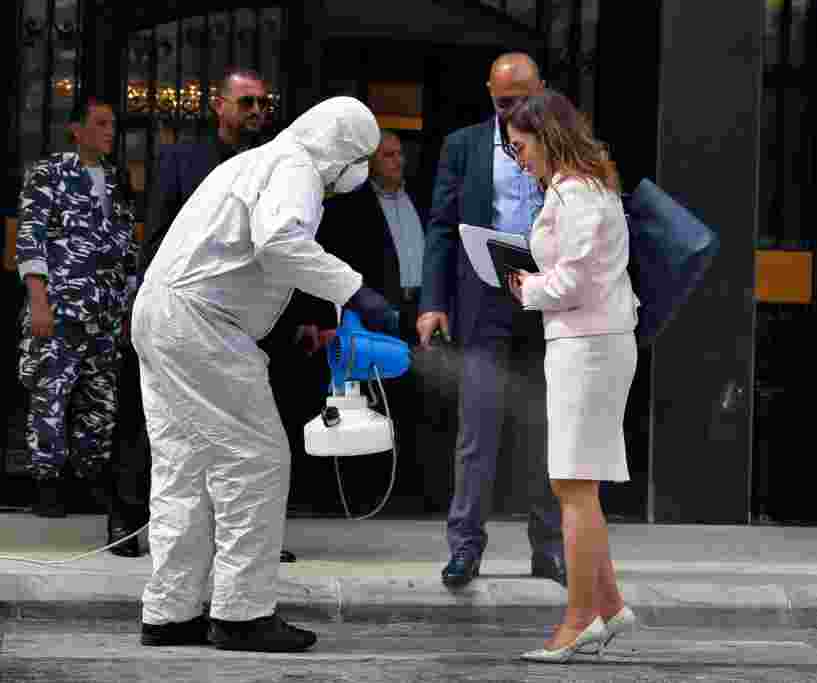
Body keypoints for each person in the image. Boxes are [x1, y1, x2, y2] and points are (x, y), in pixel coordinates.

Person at [134, 96, 396, 652]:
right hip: (202, 322)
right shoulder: (296, 165)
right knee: (257, 459)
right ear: (342, 151)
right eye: (361, 158)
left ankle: (170, 611)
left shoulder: (250, 161)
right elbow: (278, 242)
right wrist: (356, 291)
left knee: (184, 466)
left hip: (162, 314)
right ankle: (242, 615)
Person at [139, 67, 305, 562]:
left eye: (262, 104)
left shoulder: (276, 163)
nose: (256, 112)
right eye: (246, 102)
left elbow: (293, 240)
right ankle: (141, 523)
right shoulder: (181, 159)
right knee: (186, 441)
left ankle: (256, 540)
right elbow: (158, 234)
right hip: (189, 317)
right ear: (219, 105)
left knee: (252, 445)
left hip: (253, 319)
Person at [418, 52, 565, 588]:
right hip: (486, 301)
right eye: (505, 103)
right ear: (489, 94)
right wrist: (433, 302)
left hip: (550, 302)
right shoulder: (463, 146)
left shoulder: (566, 142)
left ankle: (549, 551)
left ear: (542, 90)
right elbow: (440, 226)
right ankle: (464, 549)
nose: (515, 112)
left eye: (525, 100)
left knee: (547, 433)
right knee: (476, 432)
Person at [503, 89, 639, 662]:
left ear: (546, 136)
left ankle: (580, 620)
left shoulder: (579, 193)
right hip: (585, 343)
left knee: (574, 485)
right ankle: (609, 608)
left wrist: (525, 289)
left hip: (588, 346)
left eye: (521, 146)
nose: (518, 159)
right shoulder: (578, 188)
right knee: (575, 482)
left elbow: (574, 282)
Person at [16, 98, 138, 544]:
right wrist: (38, 301)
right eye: (101, 124)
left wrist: (128, 303)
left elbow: (127, 249)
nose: (110, 132)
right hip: (61, 306)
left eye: (113, 125)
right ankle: (47, 485)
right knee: (50, 395)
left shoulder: (118, 179)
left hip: (105, 312)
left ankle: (91, 479)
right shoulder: (49, 174)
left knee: (100, 403)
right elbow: (30, 238)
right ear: (77, 130)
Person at [314, 129, 450, 513]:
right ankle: (369, 494)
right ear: (370, 163)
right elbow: (330, 263)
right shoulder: (349, 207)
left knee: (425, 400)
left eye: (399, 154)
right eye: (388, 155)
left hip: (420, 310)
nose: (398, 161)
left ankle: (420, 491)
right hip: (374, 313)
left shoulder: (421, 201)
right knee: (375, 402)